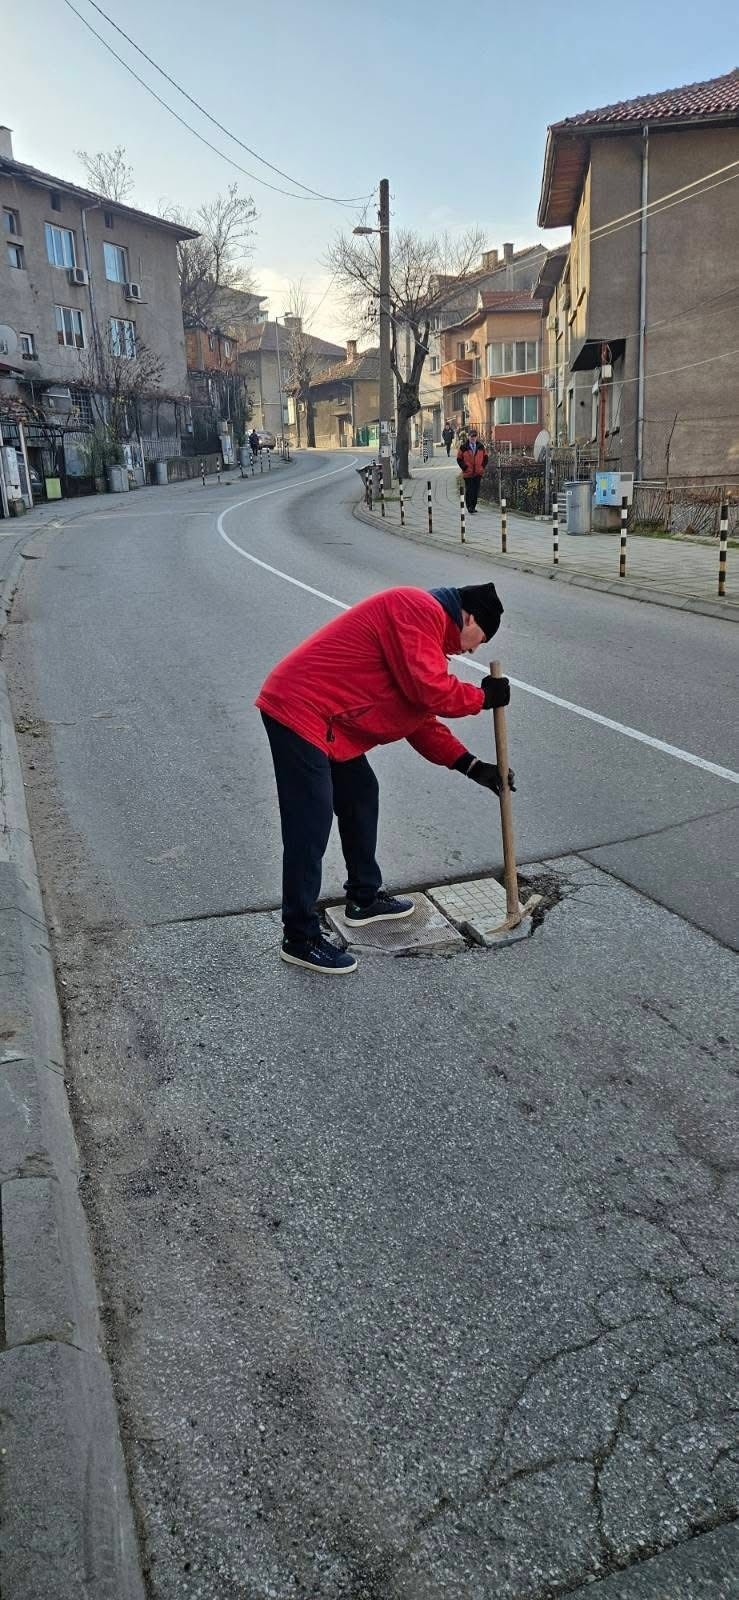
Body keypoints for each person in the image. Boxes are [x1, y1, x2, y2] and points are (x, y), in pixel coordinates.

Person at [257, 583, 513, 975]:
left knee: (361, 793)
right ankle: (299, 937)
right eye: (481, 639)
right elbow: (429, 692)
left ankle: (364, 898)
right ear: (470, 618)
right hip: (300, 710)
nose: (475, 650)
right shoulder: (415, 607)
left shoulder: (425, 640)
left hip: (330, 722)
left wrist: (472, 766)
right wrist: (481, 699)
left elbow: (419, 718)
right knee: (309, 825)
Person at [457, 427, 488, 514]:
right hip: (468, 473)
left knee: (476, 490)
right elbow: (459, 459)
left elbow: (486, 458)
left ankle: (473, 507)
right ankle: (469, 507)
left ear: (476, 437)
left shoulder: (481, 447)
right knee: (469, 490)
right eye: (471, 436)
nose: (473, 438)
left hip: (478, 472)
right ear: (468, 437)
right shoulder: (463, 447)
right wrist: (465, 468)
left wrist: (482, 467)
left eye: (474, 436)